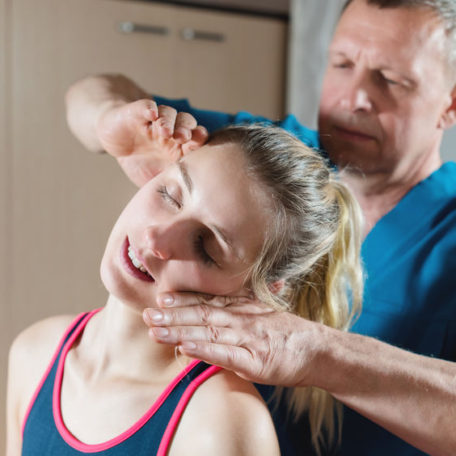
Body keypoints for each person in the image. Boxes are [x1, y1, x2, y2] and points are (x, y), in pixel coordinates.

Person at [64, 0, 456, 454]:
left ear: (450, 103)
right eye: (343, 63)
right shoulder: (272, 165)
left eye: (390, 80)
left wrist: (316, 355)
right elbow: (89, 90)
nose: (355, 98)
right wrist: (112, 117)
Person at [6, 119, 364, 455]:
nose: (156, 237)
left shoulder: (221, 422)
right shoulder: (34, 353)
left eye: (205, 245)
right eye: (170, 195)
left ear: (254, 293)